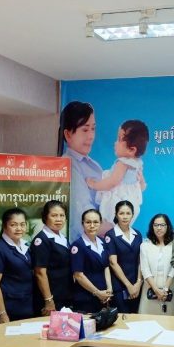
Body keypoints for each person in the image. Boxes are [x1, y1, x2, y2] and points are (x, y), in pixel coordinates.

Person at [87, 120, 149, 226]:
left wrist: (94, 185)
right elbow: (142, 185)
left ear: (131, 150)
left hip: (117, 203)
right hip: (131, 205)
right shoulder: (138, 164)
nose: (115, 143)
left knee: (107, 223)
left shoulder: (122, 163)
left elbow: (112, 182)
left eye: (119, 139)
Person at [61, 101, 103, 242]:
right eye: (85, 130)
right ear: (68, 134)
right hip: (81, 245)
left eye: (93, 129)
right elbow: (84, 214)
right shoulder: (67, 165)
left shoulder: (95, 166)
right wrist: (115, 228)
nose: (91, 136)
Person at [0, 208, 34, 323]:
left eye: (22, 224)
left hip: (27, 303)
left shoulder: (25, 245)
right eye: (13, 225)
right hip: (11, 307)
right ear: (4, 226)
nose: (19, 228)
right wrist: (2, 313)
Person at [31, 200, 72, 316]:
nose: (59, 219)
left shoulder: (62, 237)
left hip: (64, 294)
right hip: (51, 298)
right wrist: (48, 300)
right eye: (54, 215)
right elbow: (40, 273)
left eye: (62, 215)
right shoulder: (42, 240)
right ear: (45, 217)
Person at [104, 200, 143, 313]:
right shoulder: (110, 235)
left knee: (136, 318)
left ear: (132, 215)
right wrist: (128, 286)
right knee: (122, 318)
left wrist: (138, 283)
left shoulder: (137, 234)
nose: (125, 217)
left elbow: (141, 260)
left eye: (128, 213)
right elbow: (113, 263)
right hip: (119, 286)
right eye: (121, 213)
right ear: (116, 215)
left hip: (136, 285)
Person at [71, 208, 112, 313]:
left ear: (100, 223)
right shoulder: (78, 245)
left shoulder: (103, 242)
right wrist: (97, 293)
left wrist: (109, 289)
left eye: (95, 222)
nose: (92, 225)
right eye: (88, 222)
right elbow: (78, 275)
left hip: (103, 295)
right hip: (85, 297)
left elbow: (106, 266)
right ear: (82, 224)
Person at [138, 213, 174, 316]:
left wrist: (165, 289)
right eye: (156, 225)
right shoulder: (145, 246)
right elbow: (145, 270)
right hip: (150, 289)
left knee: (167, 321)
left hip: (168, 290)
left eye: (162, 225)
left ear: (167, 226)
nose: (159, 228)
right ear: (152, 227)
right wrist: (155, 290)